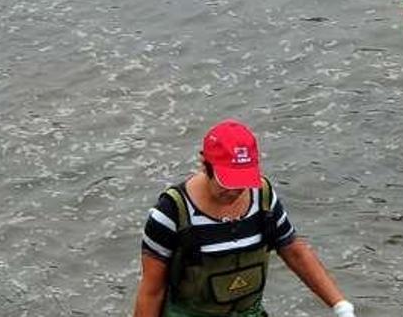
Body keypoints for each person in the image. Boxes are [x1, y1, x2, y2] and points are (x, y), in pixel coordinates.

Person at [133, 119, 356, 317]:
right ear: (204, 164)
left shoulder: (264, 198)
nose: (236, 190)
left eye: (243, 180)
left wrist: (340, 305)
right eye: (228, 182)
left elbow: (294, 251)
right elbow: (152, 292)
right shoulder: (171, 213)